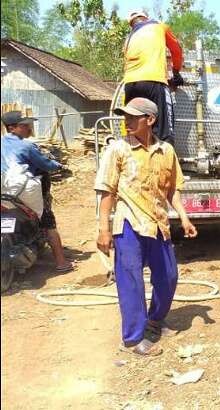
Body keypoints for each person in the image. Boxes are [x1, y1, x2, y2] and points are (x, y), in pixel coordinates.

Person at [95, 98, 197, 356]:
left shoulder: (166, 151)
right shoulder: (118, 150)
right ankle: (133, 338)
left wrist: (183, 217)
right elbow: (106, 191)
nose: (126, 121)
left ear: (150, 120)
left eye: (132, 117)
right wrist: (104, 229)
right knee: (131, 282)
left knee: (168, 277)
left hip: (158, 224)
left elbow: (172, 189)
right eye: (125, 116)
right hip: (129, 223)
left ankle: (154, 319)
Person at [1, 111, 73, 273]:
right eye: (24, 125)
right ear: (12, 128)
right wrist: (60, 166)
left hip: (3, 193)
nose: (29, 128)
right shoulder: (27, 146)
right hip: (22, 192)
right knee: (47, 221)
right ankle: (61, 262)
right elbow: (45, 164)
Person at [123, 10, 184, 144]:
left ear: (131, 24)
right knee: (164, 132)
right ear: (145, 18)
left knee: (132, 130)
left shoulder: (128, 39)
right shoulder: (158, 26)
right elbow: (176, 50)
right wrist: (176, 71)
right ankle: (164, 162)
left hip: (129, 85)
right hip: (154, 81)